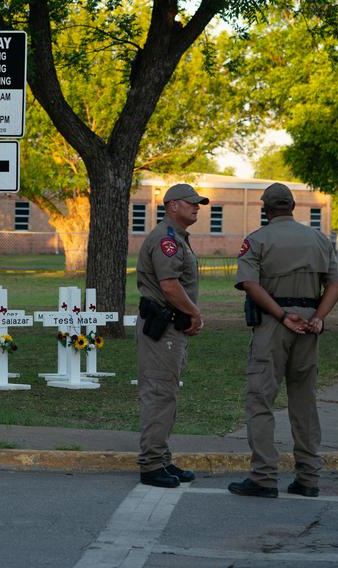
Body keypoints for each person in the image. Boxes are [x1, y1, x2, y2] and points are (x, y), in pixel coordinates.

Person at [229, 183, 338, 499]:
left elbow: (250, 284)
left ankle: (264, 477)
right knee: (304, 403)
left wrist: (281, 316)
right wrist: (319, 316)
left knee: (260, 399)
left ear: (265, 209)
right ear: (293, 206)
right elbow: (336, 282)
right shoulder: (319, 238)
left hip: (274, 323)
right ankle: (308, 478)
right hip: (309, 324)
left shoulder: (258, 240)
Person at [135, 183, 208, 488]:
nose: (197, 207)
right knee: (161, 394)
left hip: (170, 327)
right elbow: (169, 286)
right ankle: (151, 464)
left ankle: (162, 458)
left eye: (198, 204)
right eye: (191, 203)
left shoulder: (177, 238)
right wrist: (195, 312)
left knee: (167, 393)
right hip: (162, 327)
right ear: (172, 205)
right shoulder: (166, 240)